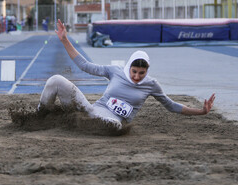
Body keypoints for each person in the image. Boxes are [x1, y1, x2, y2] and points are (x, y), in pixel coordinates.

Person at [37, 19, 216, 130]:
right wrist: (65, 40)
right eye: (134, 72)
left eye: (141, 73)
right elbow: (85, 65)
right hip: (90, 110)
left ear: (147, 71)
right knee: (55, 80)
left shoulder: (152, 85)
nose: (137, 76)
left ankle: (81, 125)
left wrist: (201, 111)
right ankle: (39, 118)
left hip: (111, 121)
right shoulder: (115, 71)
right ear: (129, 67)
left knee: (114, 126)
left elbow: (171, 105)